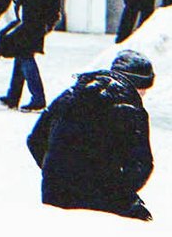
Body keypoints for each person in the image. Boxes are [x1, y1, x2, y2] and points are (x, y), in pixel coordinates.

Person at [27, 50, 155, 221]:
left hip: (55, 194)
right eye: (143, 89)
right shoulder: (132, 110)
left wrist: (58, 170)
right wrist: (118, 194)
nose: (144, 95)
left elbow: (35, 139)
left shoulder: (71, 94)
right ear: (136, 84)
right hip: (99, 201)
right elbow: (140, 165)